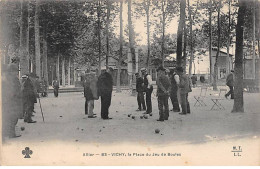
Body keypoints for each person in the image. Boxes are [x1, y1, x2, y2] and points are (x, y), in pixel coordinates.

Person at [2, 64, 23, 140]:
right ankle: (10, 133)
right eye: (15, 71)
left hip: (12, 101)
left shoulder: (9, 78)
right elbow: (12, 91)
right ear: (11, 71)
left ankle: (9, 133)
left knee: (12, 117)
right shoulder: (11, 79)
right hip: (12, 101)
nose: (16, 72)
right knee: (13, 117)